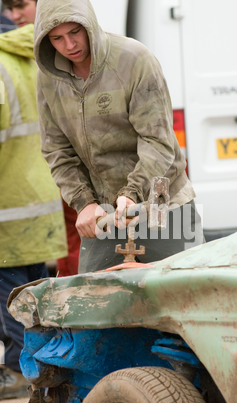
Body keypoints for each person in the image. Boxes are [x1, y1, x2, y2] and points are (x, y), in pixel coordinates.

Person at [33, 0, 204, 273]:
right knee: (93, 304)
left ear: (88, 22)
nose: (69, 45)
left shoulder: (135, 59)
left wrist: (133, 193)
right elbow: (57, 151)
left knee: (184, 293)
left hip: (163, 201)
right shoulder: (48, 78)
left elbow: (157, 141)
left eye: (75, 32)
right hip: (103, 212)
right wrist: (84, 203)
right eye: (57, 38)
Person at [0, 23, 67, 399]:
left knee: (13, 301)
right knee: (33, 293)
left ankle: (36, 373)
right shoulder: (35, 57)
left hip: (6, 204)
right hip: (38, 198)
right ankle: (31, 366)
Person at [3, 0, 81, 277]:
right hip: (59, 175)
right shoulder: (74, 48)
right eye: (8, 8)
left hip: (49, 177)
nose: (14, 15)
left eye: (21, 5)